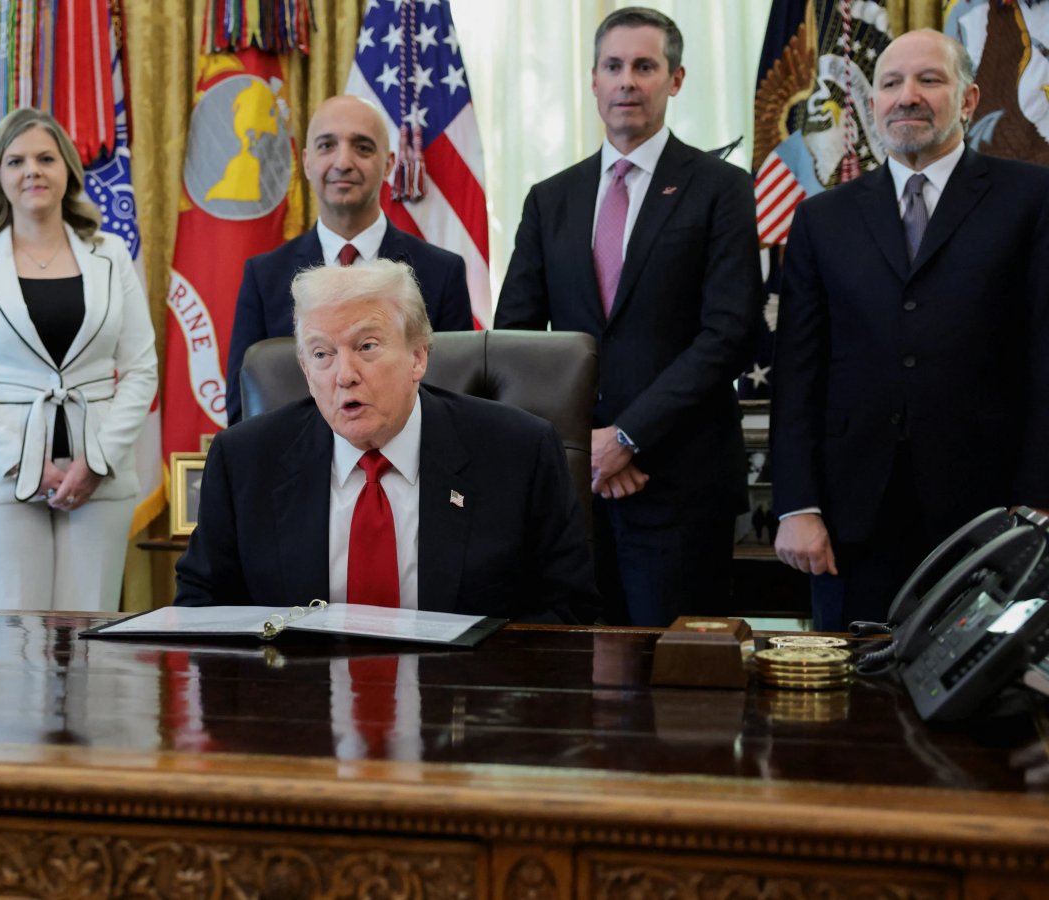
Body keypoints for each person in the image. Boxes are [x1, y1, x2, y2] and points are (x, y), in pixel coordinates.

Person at [771, 29, 1049, 631]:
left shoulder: (1031, 198)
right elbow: (798, 373)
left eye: (930, 79)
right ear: (871, 104)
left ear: (969, 99)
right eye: (891, 83)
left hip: (989, 512)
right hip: (849, 515)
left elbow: (1045, 360)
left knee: (977, 702)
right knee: (847, 708)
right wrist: (796, 504)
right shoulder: (822, 217)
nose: (907, 96)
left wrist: (1036, 503)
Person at [494, 7, 763, 626]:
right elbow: (516, 342)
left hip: (680, 487)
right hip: (572, 493)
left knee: (678, 701)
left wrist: (626, 437)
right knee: (574, 690)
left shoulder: (720, 189)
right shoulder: (550, 199)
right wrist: (581, 448)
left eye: (645, 66)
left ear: (675, 79)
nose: (627, 82)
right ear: (592, 80)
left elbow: (728, 334)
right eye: (613, 67)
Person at [175, 259, 594, 622]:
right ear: (304, 369)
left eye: (367, 346)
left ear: (418, 356)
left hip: (461, 703)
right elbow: (200, 608)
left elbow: (567, 609)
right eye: (322, 354)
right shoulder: (244, 460)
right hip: (300, 702)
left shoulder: (518, 452)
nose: (344, 374)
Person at [0, 109, 158, 612]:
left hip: (98, 475)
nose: (32, 170)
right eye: (16, 160)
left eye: (46, 158)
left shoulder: (111, 253)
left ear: (69, 171)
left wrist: (96, 461)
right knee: (8, 644)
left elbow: (141, 369)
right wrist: (20, 460)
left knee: (91, 645)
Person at [223, 95, 475, 423]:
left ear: (388, 163)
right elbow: (243, 409)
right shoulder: (264, 276)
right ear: (306, 162)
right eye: (327, 146)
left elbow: (455, 402)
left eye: (363, 147)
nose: (343, 161)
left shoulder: (442, 273)